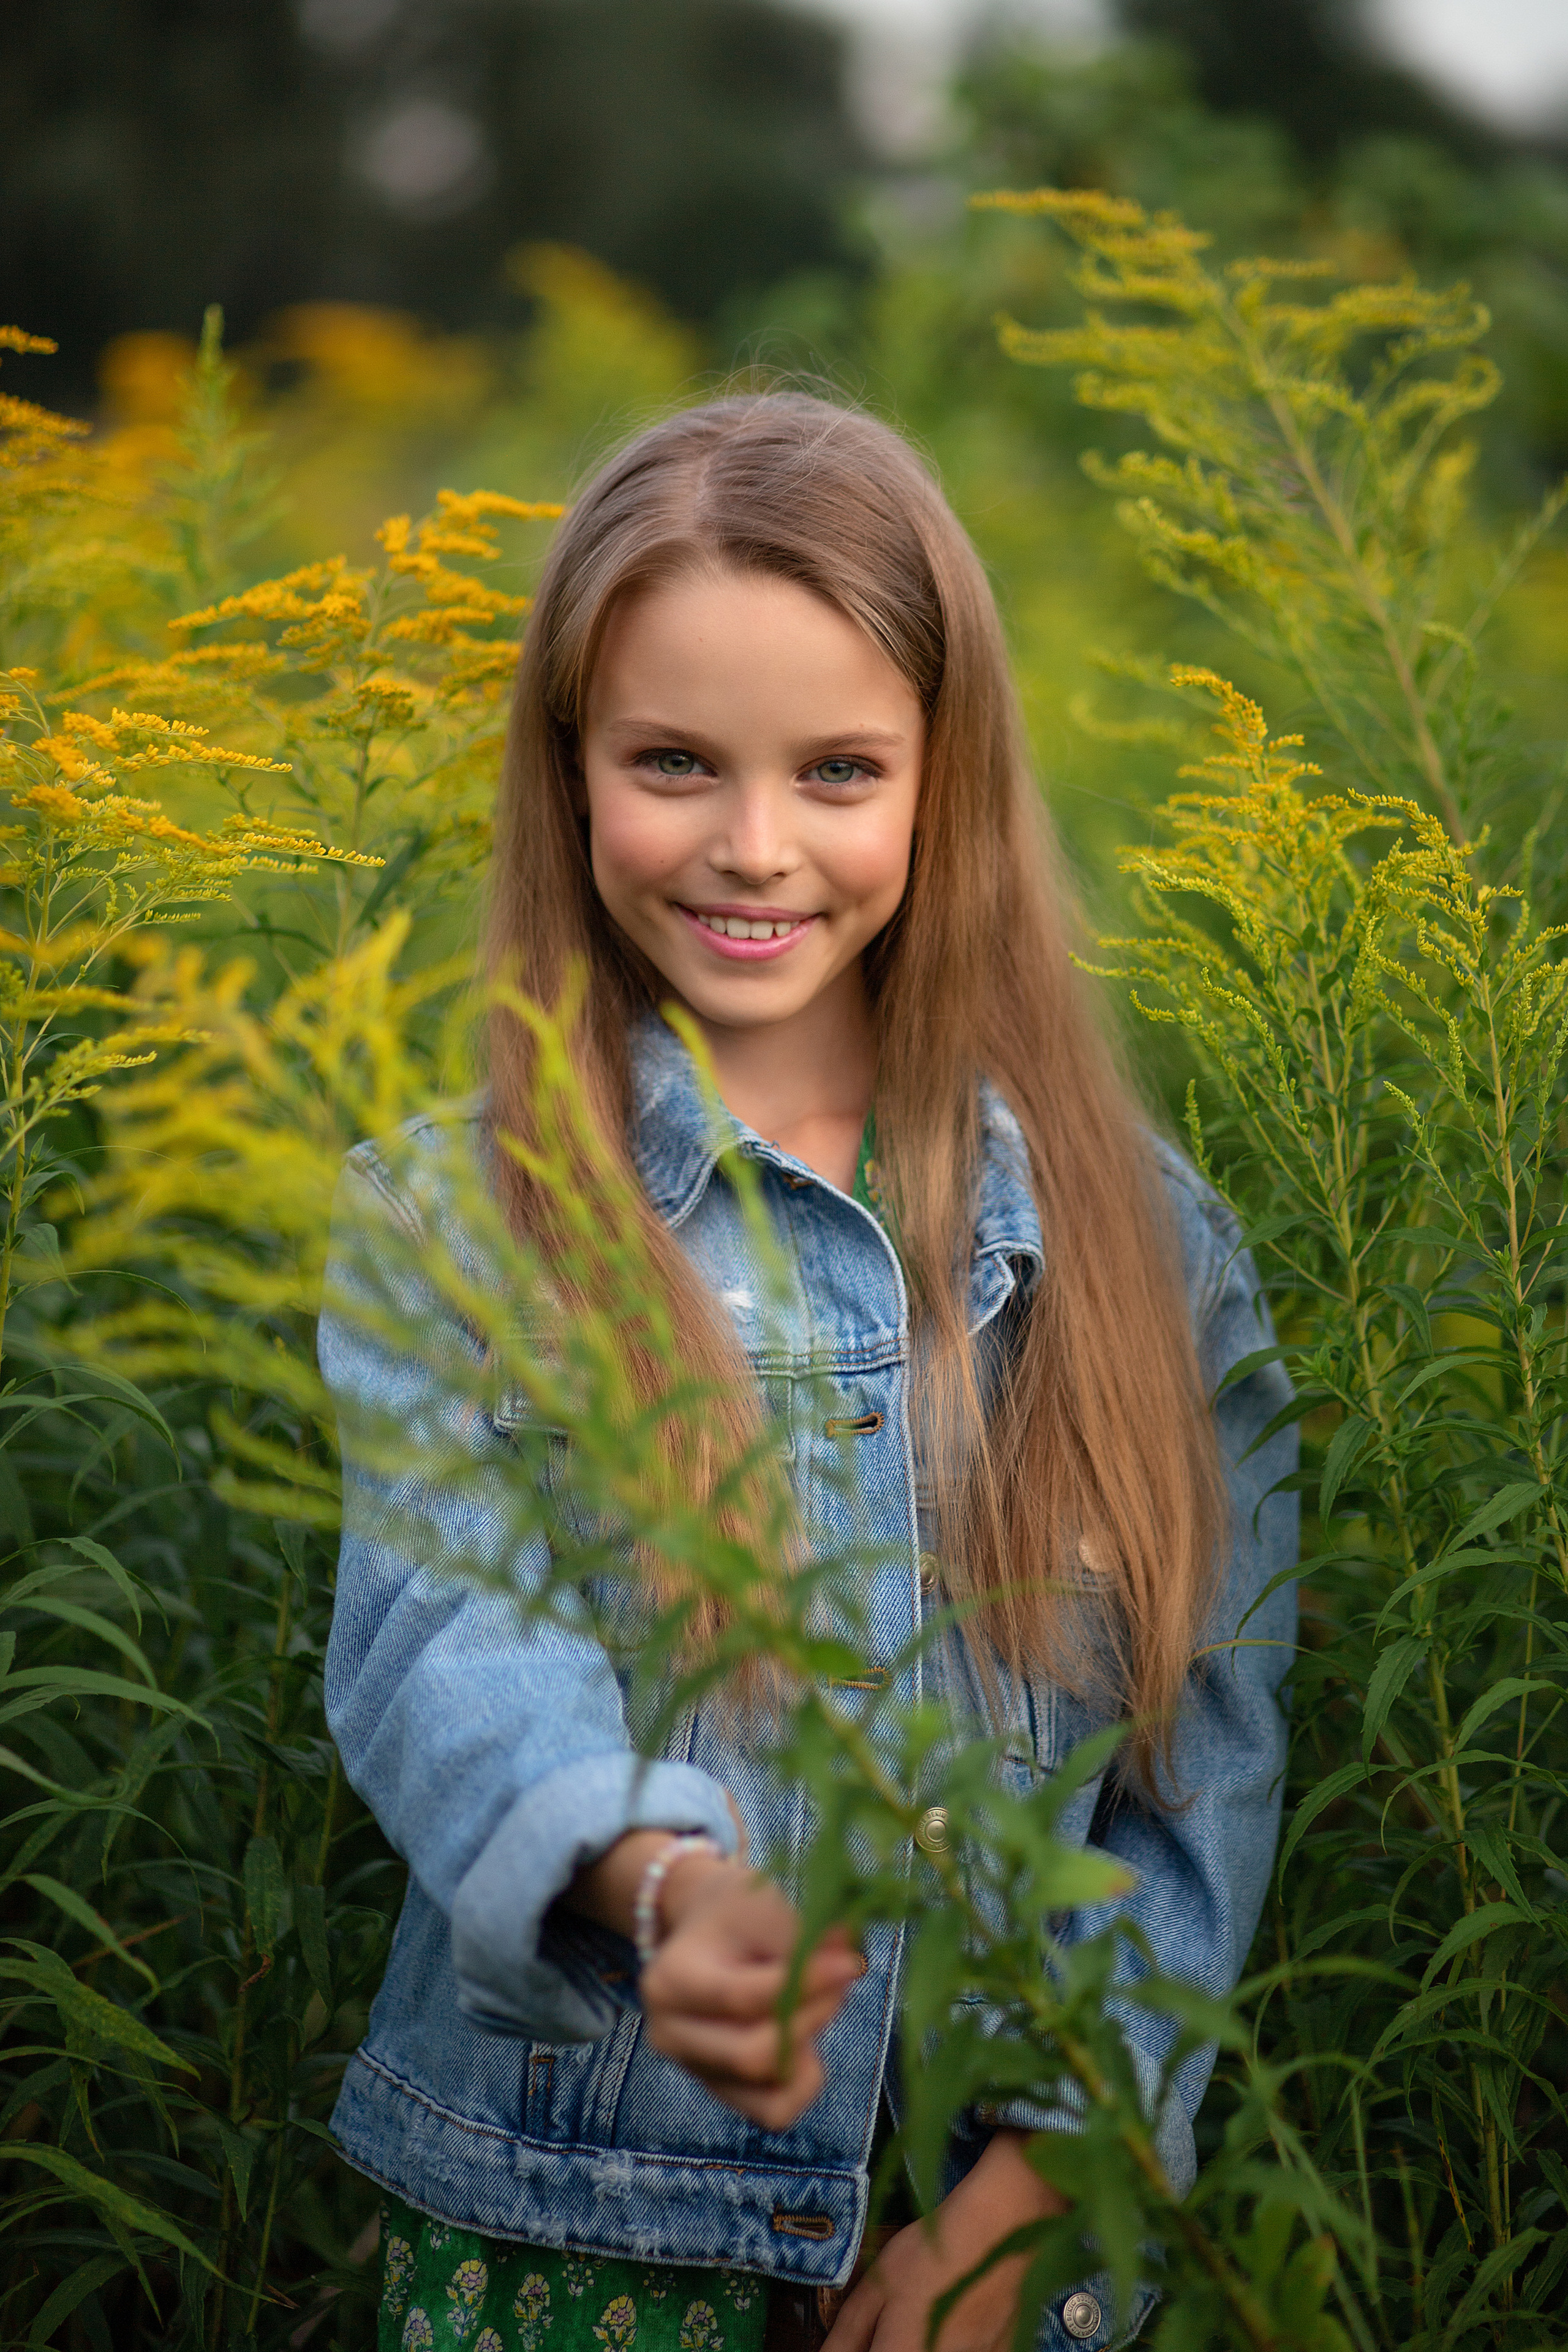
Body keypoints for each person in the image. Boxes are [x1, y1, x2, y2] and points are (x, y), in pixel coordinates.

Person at [319, 393, 1297, 2352]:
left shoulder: (1134, 1238)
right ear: (569, 767)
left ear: (947, 778)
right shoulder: (461, 1221)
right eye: (672, 761)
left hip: (1001, 2243)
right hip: (571, 2223)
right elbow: (447, 1648)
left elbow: (1209, 1757)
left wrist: (1033, 2190)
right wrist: (657, 1888)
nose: (753, 846)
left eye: (839, 769)